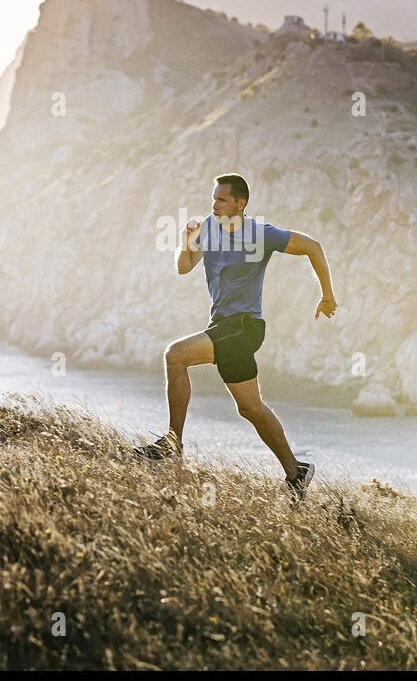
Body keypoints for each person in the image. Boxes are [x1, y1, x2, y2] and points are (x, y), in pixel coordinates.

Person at [137, 173, 337, 503]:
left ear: (240, 204)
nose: (214, 204)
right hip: (223, 326)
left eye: (221, 199)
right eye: (213, 198)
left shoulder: (260, 234)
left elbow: (313, 247)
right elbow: (184, 266)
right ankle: (296, 473)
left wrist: (327, 296)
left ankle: (173, 444)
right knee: (250, 408)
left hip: (244, 327)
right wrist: (185, 240)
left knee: (175, 355)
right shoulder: (209, 228)